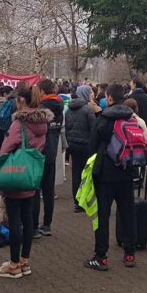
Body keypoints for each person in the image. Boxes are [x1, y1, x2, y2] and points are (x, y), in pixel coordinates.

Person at [0, 87, 51, 278]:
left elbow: (6, 148)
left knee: (15, 221)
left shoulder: (19, 123)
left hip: (15, 175)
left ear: (22, 101)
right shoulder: (43, 122)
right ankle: (24, 261)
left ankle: (13, 264)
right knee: (28, 219)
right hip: (32, 175)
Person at [84, 83, 138, 271]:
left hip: (105, 174)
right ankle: (130, 253)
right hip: (127, 172)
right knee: (127, 214)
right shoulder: (132, 118)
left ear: (109, 97)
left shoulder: (104, 118)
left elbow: (92, 146)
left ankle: (101, 256)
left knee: (102, 216)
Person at [33, 79, 64, 238]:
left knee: (35, 191)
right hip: (52, 152)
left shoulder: (42, 108)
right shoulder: (60, 106)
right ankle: (47, 224)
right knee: (49, 190)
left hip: (40, 153)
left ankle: (34, 226)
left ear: (42, 91)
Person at [65, 84, 97, 212]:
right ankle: (86, 200)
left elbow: (66, 128)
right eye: (90, 93)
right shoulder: (88, 110)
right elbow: (94, 129)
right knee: (87, 174)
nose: (91, 95)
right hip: (86, 145)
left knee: (76, 173)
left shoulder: (68, 109)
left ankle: (77, 202)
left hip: (73, 145)